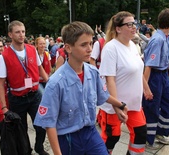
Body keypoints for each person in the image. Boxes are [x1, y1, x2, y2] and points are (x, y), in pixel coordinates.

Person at [34, 21, 128, 155]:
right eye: (84, 45)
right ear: (68, 48)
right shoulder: (56, 83)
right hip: (68, 137)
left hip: (90, 133)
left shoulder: (93, 72)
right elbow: (49, 123)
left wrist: (119, 105)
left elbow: (103, 95)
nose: (90, 48)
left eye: (90, 43)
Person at [99, 11, 153, 155]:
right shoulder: (111, 48)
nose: (134, 26)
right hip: (115, 105)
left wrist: (146, 88)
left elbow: (137, 70)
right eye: (129, 24)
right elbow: (110, 79)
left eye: (134, 23)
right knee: (112, 138)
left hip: (134, 104)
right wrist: (117, 106)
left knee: (140, 135)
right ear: (118, 28)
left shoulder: (133, 46)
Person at [0, 20, 49, 155]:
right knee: (21, 130)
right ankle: (26, 151)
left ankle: (39, 146)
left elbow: (40, 69)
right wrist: (4, 107)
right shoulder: (5, 56)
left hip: (35, 95)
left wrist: (49, 83)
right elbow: (0, 84)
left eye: (23, 31)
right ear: (10, 34)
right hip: (17, 99)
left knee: (41, 125)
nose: (21, 35)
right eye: (17, 32)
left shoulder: (32, 49)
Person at [142, 8, 169, 149]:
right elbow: (148, 66)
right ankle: (148, 138)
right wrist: (145, 87)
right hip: (154, 76)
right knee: (152, 106)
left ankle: (159, 132)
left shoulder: (165, 37)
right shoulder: (157, 40)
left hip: (164, 75)